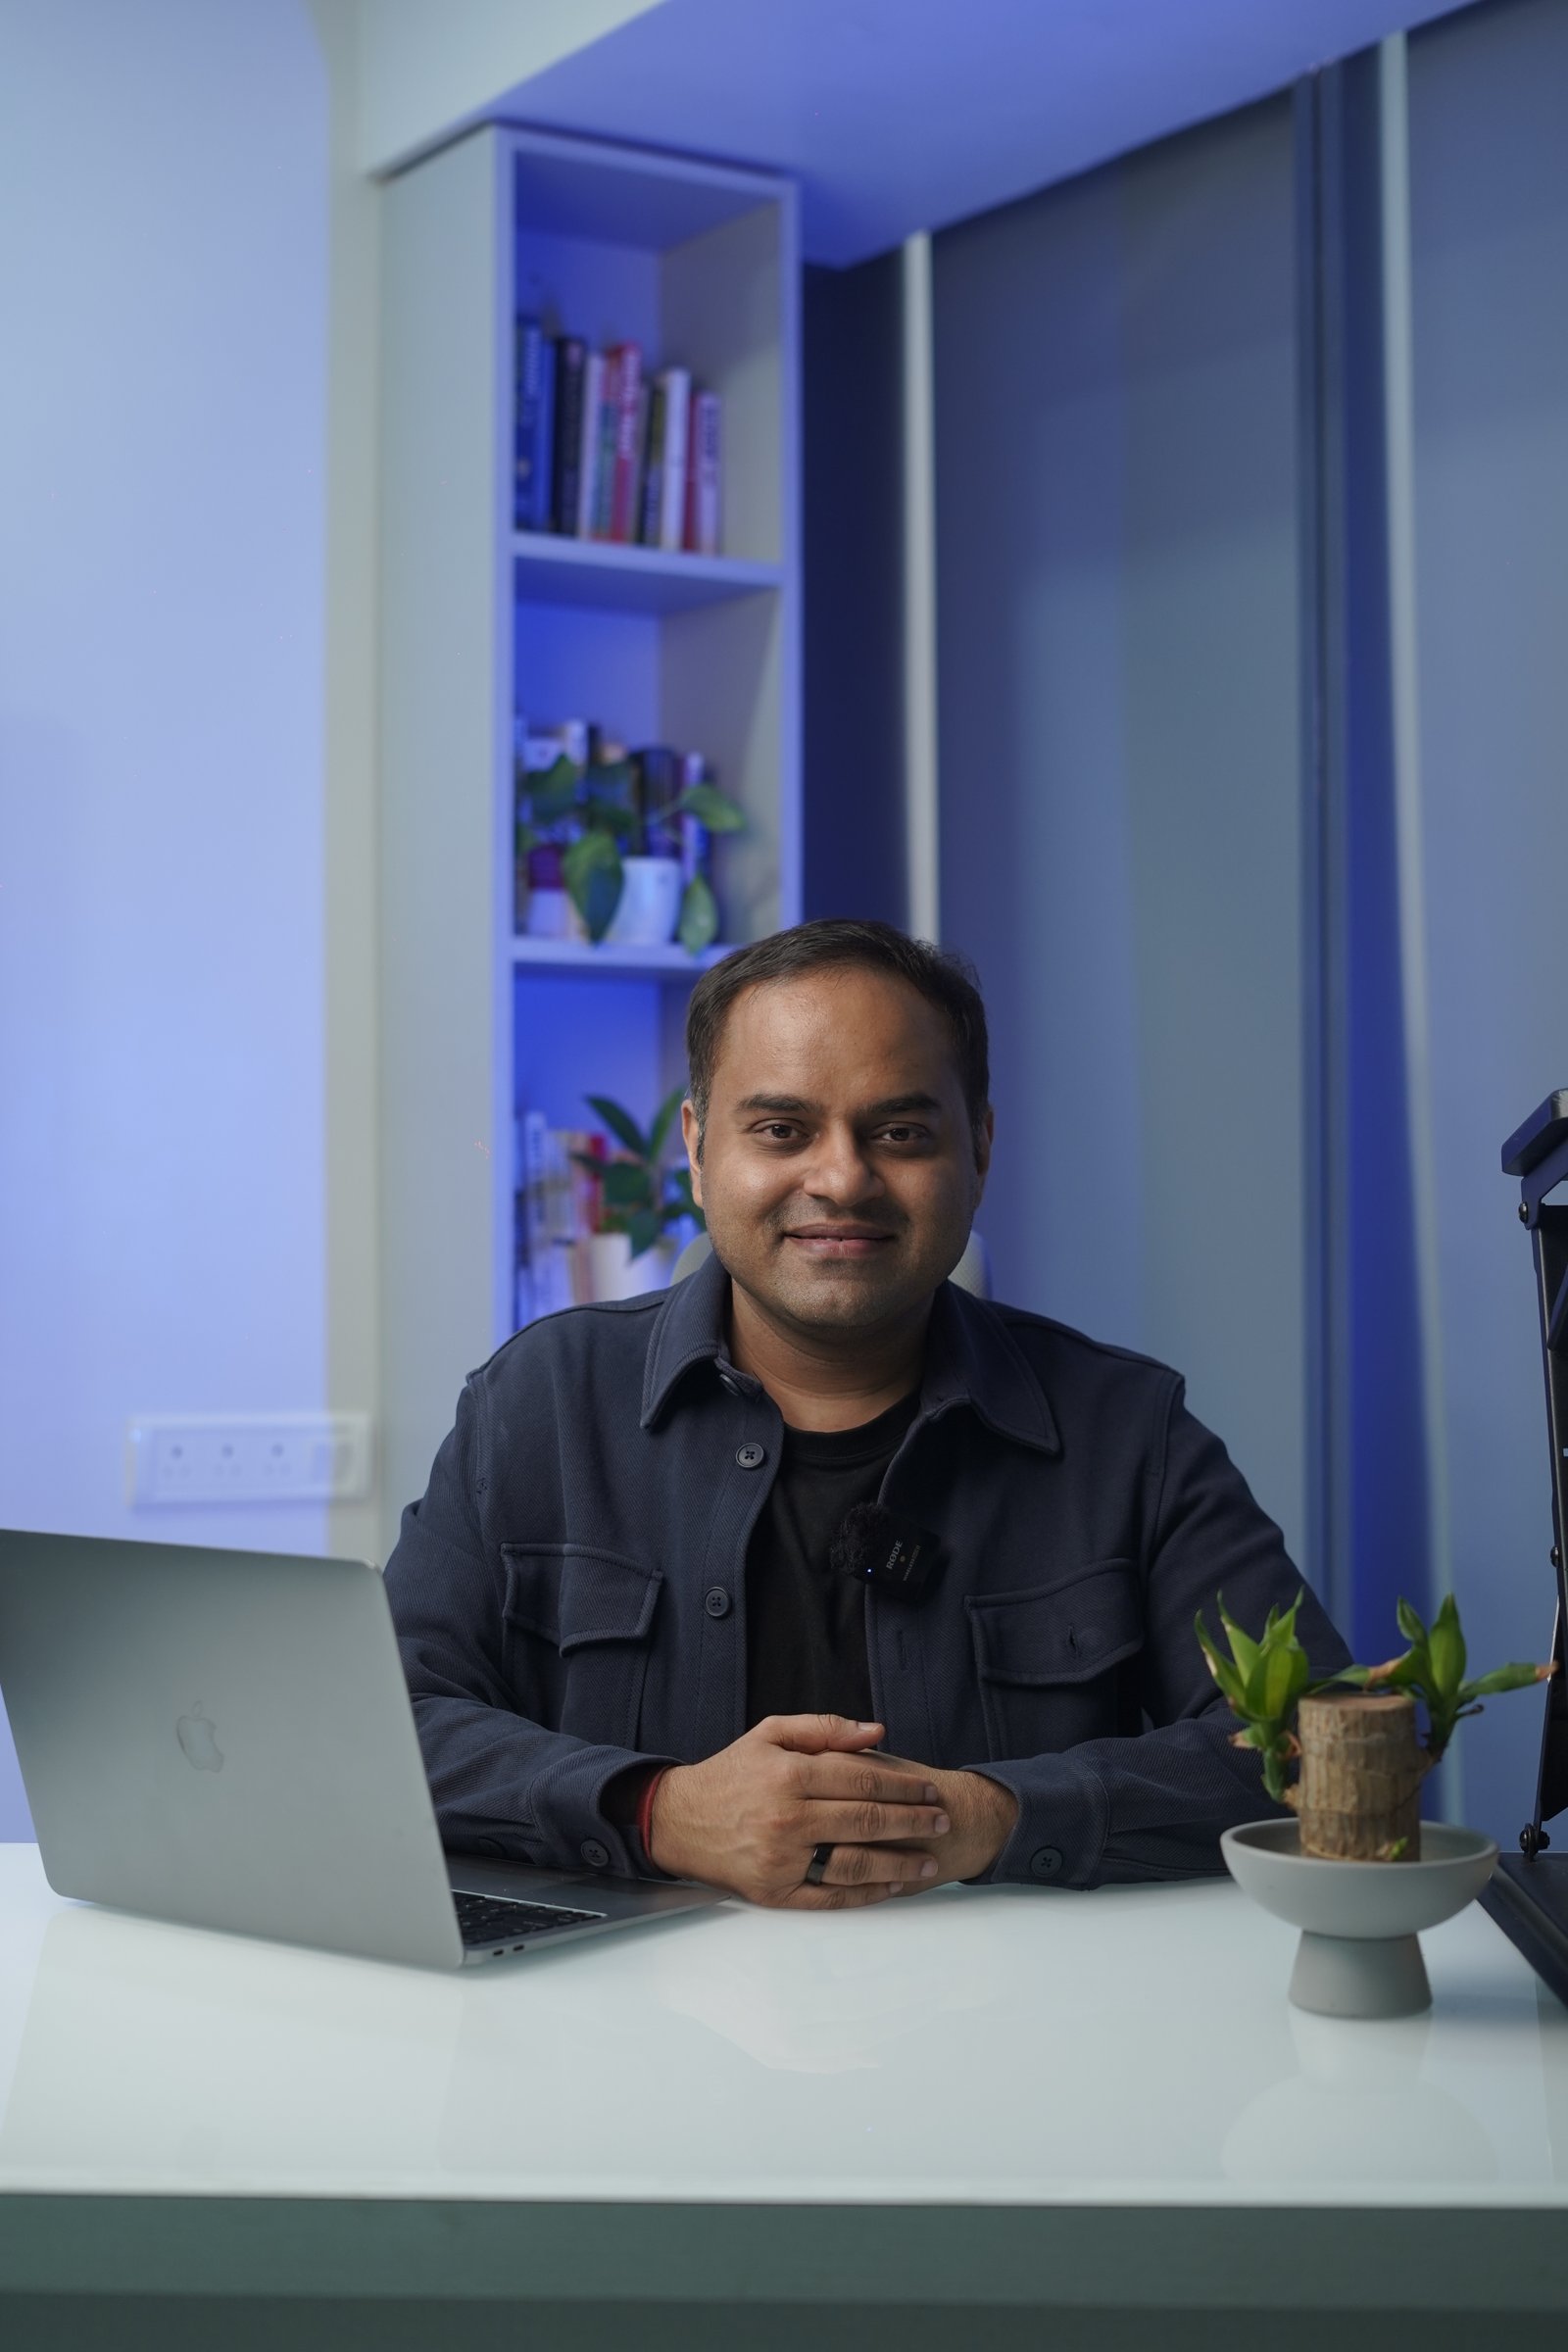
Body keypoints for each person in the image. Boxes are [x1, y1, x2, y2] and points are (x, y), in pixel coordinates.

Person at [383, 918, 1348, 1909]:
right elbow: (382, 1726)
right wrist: (655, 1809)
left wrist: (989, 1819)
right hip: (618, 2026)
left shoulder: (1125, 1430)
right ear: (697, 1144)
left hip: (1027, 2029)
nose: (841, 1179)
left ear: (977, 1143)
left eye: (899, 1132)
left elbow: (1321, 1749)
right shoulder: (540, 1400)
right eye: (781, 1130)